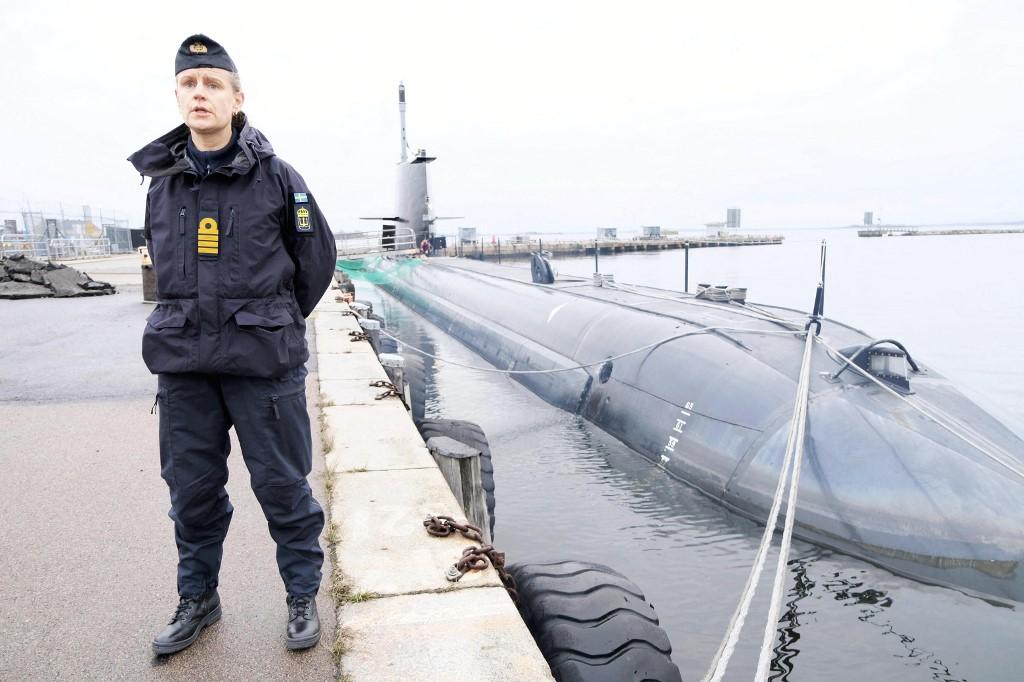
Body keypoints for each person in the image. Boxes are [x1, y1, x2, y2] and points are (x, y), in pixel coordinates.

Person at [128, 34, 337, 655]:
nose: (200, 93)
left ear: (236, 98)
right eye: (189, 84)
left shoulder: (278, 177)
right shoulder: (162, 182)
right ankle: (200, 598)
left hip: (262, 366)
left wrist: (270, 320)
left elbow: (315, 261)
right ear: (177, 96)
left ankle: (302, 595)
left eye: (212, 83)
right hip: (185, 366)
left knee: (282, 487)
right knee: (190, 493)